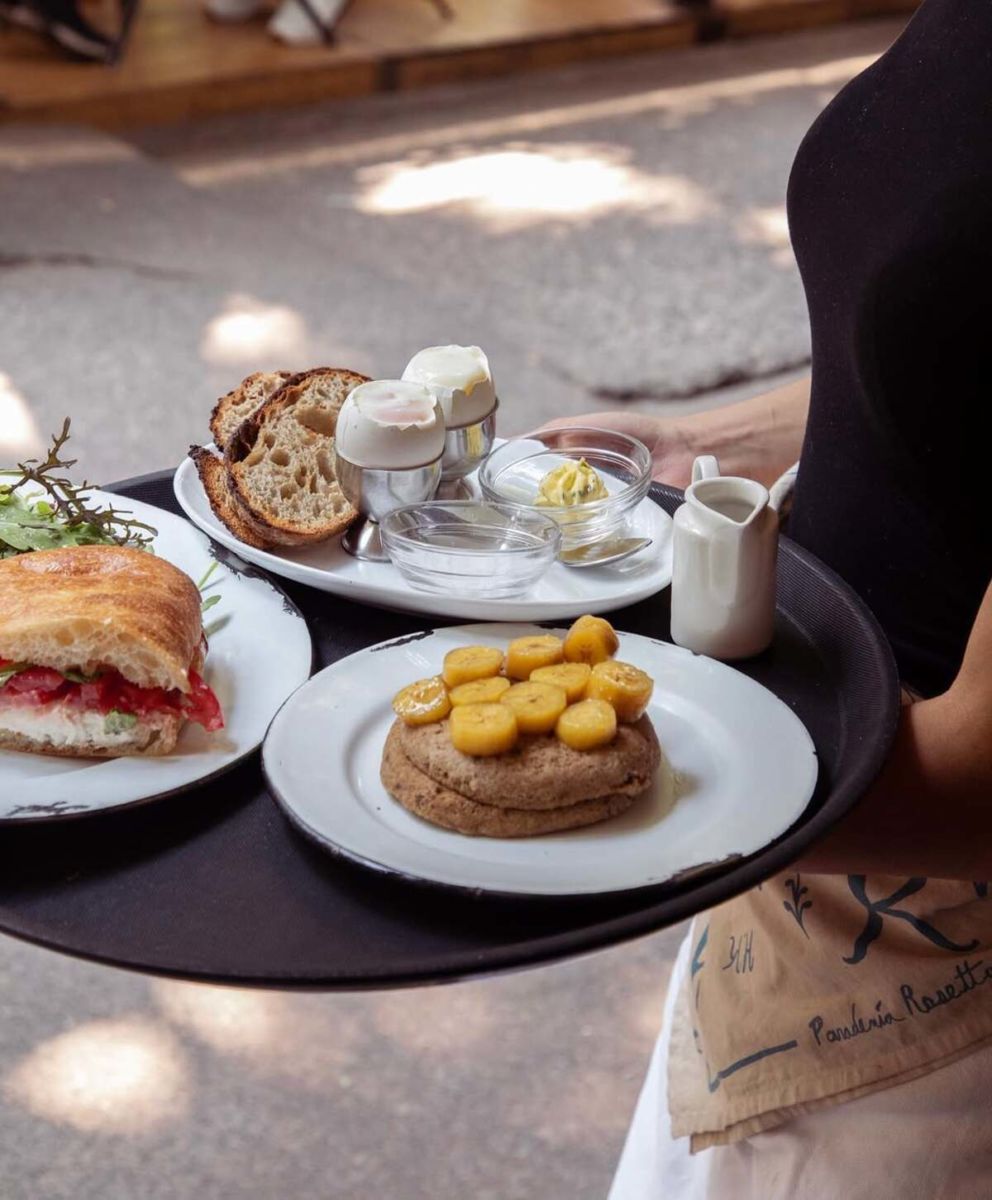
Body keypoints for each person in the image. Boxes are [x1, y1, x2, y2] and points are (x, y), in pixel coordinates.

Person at [542, 1, 992, 1194]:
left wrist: (572, 771)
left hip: (929, 1001)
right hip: (796, 872)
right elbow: (940, 346)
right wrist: (705, 449)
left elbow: (973, 784)